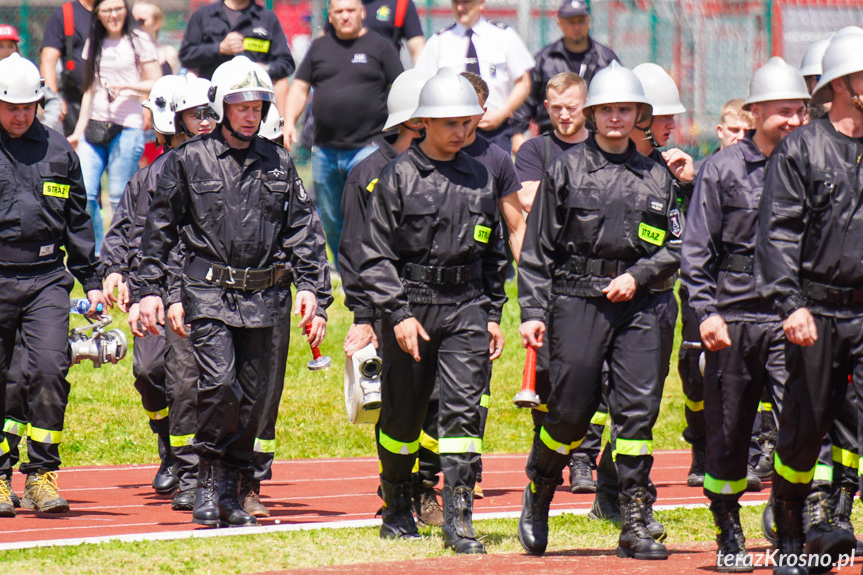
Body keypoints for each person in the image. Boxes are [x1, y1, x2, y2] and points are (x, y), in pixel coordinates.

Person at [137, 56, 325, 528]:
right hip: (208, 294)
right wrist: (150, 290)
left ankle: (231, 488)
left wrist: (315, 291)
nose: (250, 114)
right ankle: (205, 476)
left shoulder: (279, 163)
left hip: (265, 299)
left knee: (253, 399)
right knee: (219, 385)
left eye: (258, 105)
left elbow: (302, 231)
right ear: (222, 106)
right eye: (240, 104)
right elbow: (159, 230)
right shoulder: (187, 159)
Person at [516, 61, 680, 560]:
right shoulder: (564, 169)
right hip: (577, 300)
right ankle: (540, 487)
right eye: (606, 109)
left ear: (638, 115)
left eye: (624, 109)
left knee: (636, 415)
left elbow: (675, 245)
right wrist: (532, 311)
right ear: (591, 114)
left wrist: (640, 276)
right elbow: (538, 250)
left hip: (640, 306)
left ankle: (633, 518)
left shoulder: (656, 175)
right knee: (569, 412)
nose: (615, 117)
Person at [358, 67, 507, 553]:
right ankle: (398, 507)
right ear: (423, 122)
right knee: (403, 418)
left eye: (468, 122)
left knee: (463, 412)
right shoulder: (398, 177)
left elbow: (494, 254)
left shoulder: (481, 176)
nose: (462, 132)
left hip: (465, 305)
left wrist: (492, 314)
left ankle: (459, 516)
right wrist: (397, 315)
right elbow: (375, 255)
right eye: (451, 124)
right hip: (412, 307)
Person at [681, 57, 810, 572]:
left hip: (790, 319)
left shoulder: (810, 165)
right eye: (784, 112)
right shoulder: (721, 169)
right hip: (733, 321)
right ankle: (728, 527)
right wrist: (706, 312)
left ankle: (791, 531)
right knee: (730, 431)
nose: (795, 122)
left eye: (801, 111)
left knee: (798, 428)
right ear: (755, 112)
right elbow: (696, 251)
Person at [755, 33, 863, 574]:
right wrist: (790, 303)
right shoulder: (802, 147)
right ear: (842, 85)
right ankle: (791, 534)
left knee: (858, 421)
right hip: (817, 312)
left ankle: (840, 518)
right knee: (803, 427)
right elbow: (777, 233)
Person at [101, 74, 215, 510]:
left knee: (196, 382)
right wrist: (115, 271)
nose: (204, 122)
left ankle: (194, 469)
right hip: (154, 291)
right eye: (195, 114)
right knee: (150, 372)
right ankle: (169, 446)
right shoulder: (145, 179)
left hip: (198, 290)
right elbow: (122, 232)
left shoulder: (215, 170)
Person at [0, 53, 106, 517]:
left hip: (46, 279)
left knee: (48, 370)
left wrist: (94, 282)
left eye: (28, 106)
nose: (20, 115)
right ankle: (0, 478)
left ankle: (42, 475)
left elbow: (79, 223)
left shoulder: (61, 151)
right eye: (11, 107)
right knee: (4, 381)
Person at [338, 68, 441, 524]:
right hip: (390, 307)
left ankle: (426, 488)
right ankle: (395, 489)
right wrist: (363, 316)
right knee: (400, 406)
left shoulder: (448, 168)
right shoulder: (368, 174)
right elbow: (356, 250)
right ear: (411, 124)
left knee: (440, 404)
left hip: (443, 304)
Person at [284, 0, 402, 266]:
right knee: (332, 216)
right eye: (339, 12)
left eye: (351, 10)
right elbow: (300, 88)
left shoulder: (381, 46)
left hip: (369, 148)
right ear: (331, 16)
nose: (345, 16)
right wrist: (289, 121)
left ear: (361, 12)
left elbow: (399, 88)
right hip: (325, 149)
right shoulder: (320, 48)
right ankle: (342, 268)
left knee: (369, 213)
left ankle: (373, 267)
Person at [66, 0, 162, 257]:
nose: (113, 15)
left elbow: (157, 81)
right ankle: (98, 254)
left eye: (118, 8)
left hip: (127, 128)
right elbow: (89, 90)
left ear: (125, 9)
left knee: (120, 198)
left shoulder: (139, 39)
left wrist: (128, 86)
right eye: (106, 10)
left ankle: (119, 255)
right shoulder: (94, 41)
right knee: (85, 195)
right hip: (94, 128)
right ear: (97, 14)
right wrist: (78, 130)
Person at [414, 0, 535, 151]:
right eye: (455, 3)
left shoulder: (503, 36)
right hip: (452, 132)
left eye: (466, 2)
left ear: (481, 3)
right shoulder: (439, 41)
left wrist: (502, 113)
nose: (460, 8)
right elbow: (423, 86)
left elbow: (523, 83)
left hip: (495, 131)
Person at [511, 0, 617, 154]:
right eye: (570, 22)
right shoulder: (545, 59)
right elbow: (528, 98)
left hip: (596, 137)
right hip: (552, 136)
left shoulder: (606, 59)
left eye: (580, 21)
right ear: (559, 23)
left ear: (588, 21)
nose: (576, 27)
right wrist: (517, 133)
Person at [178, 0, 295, 85]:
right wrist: (219, 49)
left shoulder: (267, 18)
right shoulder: (203, 15)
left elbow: (286, 63)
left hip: (252, 100)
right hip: (211, 95)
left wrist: (262, 70)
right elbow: (185, 55)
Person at [40, 0, 94, 136]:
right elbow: (48, 61)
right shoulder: (64, 14)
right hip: (74, 101)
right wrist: (54, 101)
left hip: (111, 103)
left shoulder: (116, 11)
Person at [132, 2, 180, 76]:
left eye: (141, 21)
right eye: (131, 21)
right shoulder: (124, 52)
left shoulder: (168, 53)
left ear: (157, 23)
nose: (135, 25)